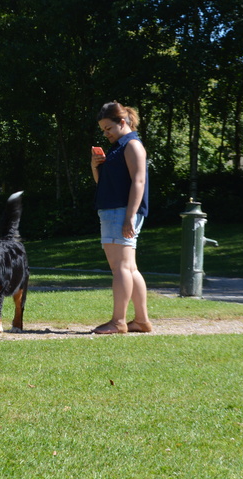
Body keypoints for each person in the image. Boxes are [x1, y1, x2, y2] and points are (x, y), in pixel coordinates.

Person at [89, 101, 153, 334]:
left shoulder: (132, 145)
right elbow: (105, 185)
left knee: (121, 268)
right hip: (113, 210)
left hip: (121, 212)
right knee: (130, 269)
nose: (106, 133)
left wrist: (130, 217)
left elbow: (139, 182)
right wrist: (95, 166)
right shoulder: (118, 147)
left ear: (122, 122)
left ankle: (118, 322)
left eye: (109, 128)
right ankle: (142, 321)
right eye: (103, 130)